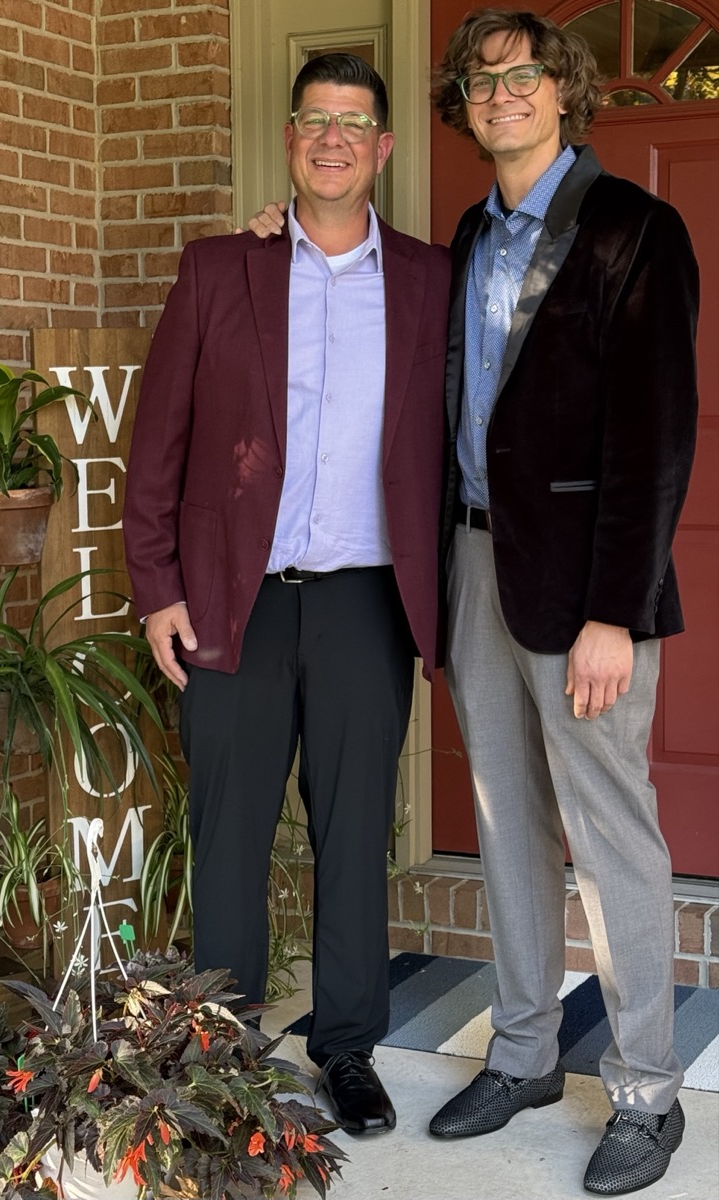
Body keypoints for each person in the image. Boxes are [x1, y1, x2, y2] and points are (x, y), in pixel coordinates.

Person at [122, 53, 450, 1136]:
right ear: (291, 140)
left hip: (365, 599)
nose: (332, 138)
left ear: (382, 148)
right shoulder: (223, 268)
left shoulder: (430, 280)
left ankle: (347, 1048)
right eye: (314, 119)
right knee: (231, 831)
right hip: (232, 598)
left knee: (354, 832)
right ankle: (224, 1051)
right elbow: (157, 436)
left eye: (354, 123)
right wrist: (156, 586)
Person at [425, 10, 699, 1196]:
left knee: (613, 835)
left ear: (563, 92)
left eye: (525, 75)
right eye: (483, 82)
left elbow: (656, 441)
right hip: (477, 566)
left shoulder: (636, 229)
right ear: (468, 105)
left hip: (587, 582)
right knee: (506, 823)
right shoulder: (468, 236)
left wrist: (616, 610)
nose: (504, 94)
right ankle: (528, 1052)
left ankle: (646, 1093)